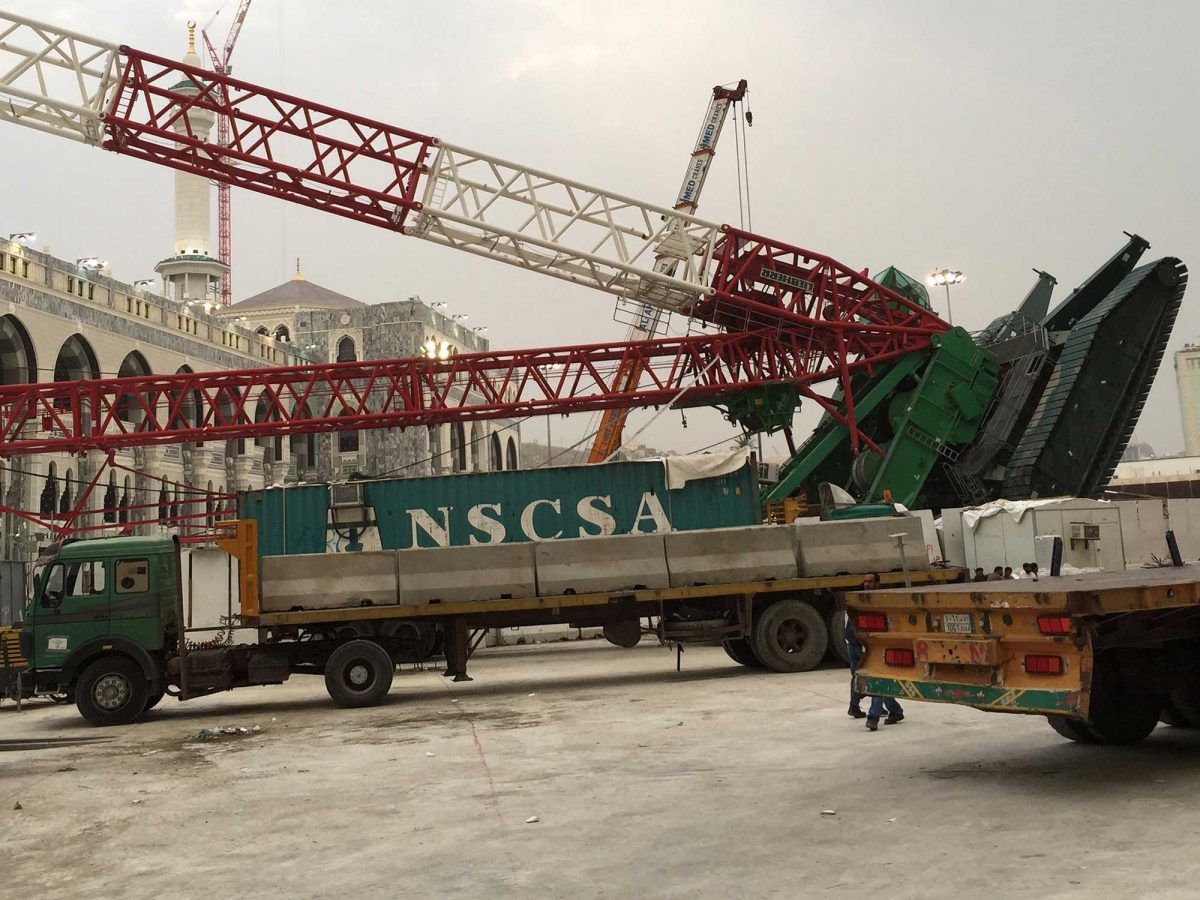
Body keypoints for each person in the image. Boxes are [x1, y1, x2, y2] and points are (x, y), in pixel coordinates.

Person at [843, 572, 876, 719]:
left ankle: (856, 706)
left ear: (877, 584)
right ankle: (885, 709)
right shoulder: (863, 599)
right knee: (872, 675)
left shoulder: (865, 598)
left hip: (858, 643)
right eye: (865, 581)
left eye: (870, 581)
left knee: (862, 675)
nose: (867, 584)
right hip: (859, 644)